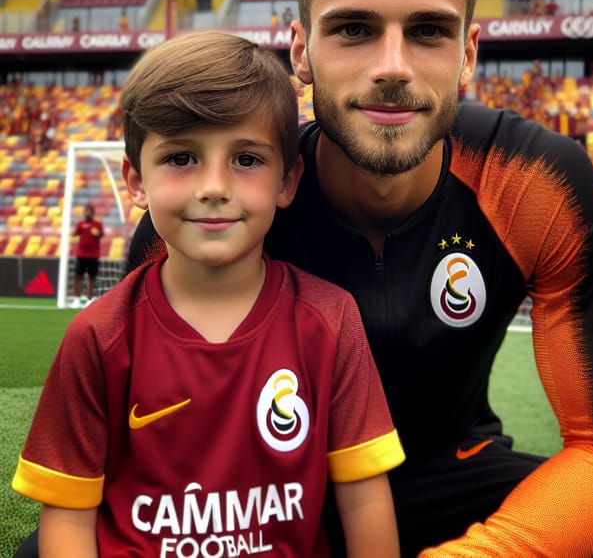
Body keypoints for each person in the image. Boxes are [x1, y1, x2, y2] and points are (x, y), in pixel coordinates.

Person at [17, 0, 593, 558]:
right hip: (259, 496)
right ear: (301, 50)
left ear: (468, 52)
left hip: (457, 476)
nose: (392, 68)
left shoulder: (534, 182)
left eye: (428, 30)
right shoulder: (217, 208)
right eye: (353, 29)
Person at [12, 32, 404, 557]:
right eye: (180, 158)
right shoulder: (100, 335)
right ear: (136, 182)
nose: (214, 186)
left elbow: (362, 500)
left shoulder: (330, 319)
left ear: (288, 181)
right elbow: (68, 518)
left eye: (246, 160)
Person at [71, 202, 104, 307]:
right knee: (78, 276)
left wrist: (98, 233)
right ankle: (77, 299)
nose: (87, 213)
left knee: (91, 278)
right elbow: (74, 233)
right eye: (86, 211)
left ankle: (89, 299)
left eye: (89, 211)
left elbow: (101, 235)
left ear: (93, 213)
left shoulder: (97, 225)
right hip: (81, 255)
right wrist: (75, 230)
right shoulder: (81, 224)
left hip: (93, 256)